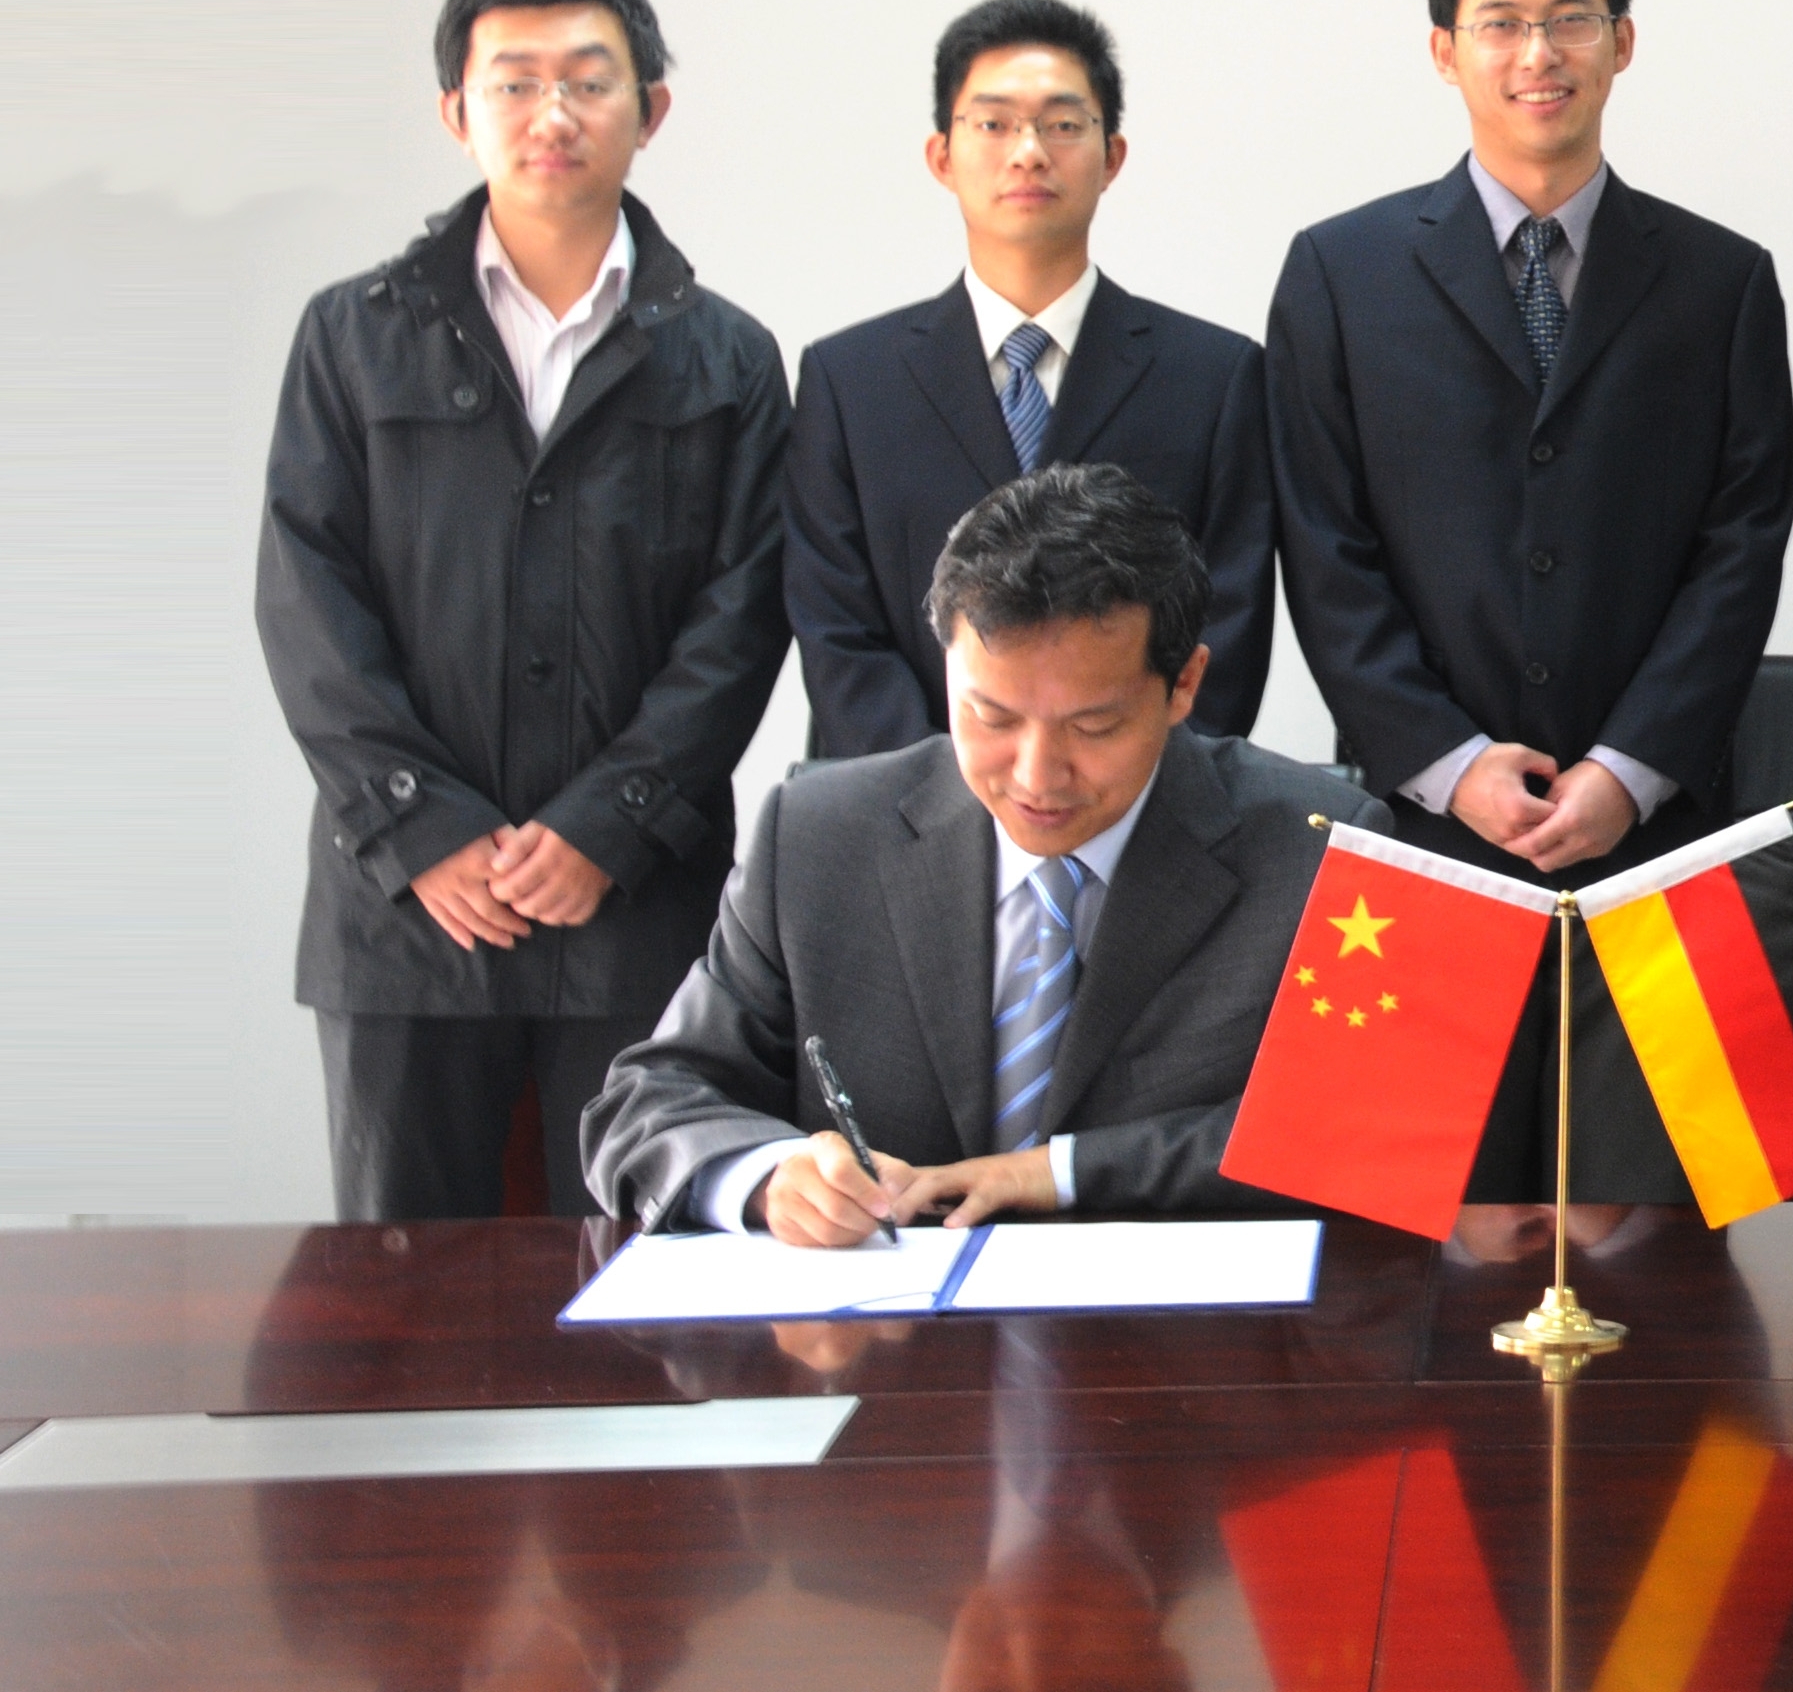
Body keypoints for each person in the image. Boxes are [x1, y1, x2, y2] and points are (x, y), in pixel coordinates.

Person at [1267, 0, 1793, 1194]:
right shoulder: (1338, 272)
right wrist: (1447, 765)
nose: (1537, 53)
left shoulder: (1723, 280)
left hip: (1659, 839)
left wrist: (1629, 766)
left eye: (1570, 18)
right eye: (1499, 23)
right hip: (1416, 840)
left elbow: (1741, 545)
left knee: (1670, 1233)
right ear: (1444, 51)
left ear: (1623, 41)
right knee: (1397, 1219)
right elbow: (1323, 545)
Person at [256, 0, 792, 1223]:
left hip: (636, 910)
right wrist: (422, 828)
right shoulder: (350, 335)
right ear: (458, 110)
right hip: (405, 919)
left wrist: (611, 824)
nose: (552, 112)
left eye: (589, 81)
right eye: (514, 82)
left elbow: (745, 613)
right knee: (402, 1293)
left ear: (650, 110)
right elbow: (306, 597)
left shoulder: (726, 358)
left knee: (642, 1279)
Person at [583, 464, 1381, 1239]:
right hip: (890, 1318)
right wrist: (767, 1175)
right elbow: (645, 1102)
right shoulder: (815, 837)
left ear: (1185, 684)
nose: (1036, 775)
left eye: (1093, 725)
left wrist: (1058, 1172)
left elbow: (1378, 1129)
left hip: (1191, 1322)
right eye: (992, 717)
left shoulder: (1331, 850)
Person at [783, 0, 1272, 758]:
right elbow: (837, 634)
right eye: (993, 123)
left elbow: (1227, 630)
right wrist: (951, 801)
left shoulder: (1213, 377)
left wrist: (1121, 790)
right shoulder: (849, 382)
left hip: (1140, 807)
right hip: (904, 806)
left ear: (1112, 157)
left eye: (1063, 123)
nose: (1029, 151)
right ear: (942, 156)